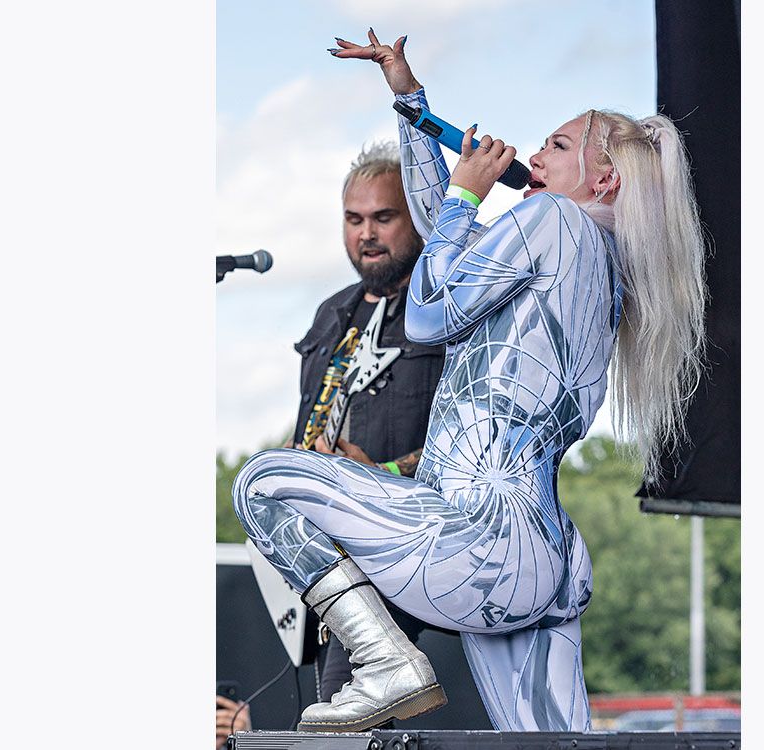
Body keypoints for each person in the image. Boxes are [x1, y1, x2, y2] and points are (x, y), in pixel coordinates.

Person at [232, 29, 707, 733]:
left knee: (264, 485)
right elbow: (443, 238)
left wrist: (464, 193)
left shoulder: (551, 218)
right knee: (550, 740)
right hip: (541, 551)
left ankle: (388, 666)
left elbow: (427, 311)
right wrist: (412, 106)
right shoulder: (599, 266)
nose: (535, 156)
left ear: (603, 179)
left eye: (556, 146)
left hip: (475, 535)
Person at [216, 141, 445, 746]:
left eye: (384, 217)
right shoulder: (329, 314)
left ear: (417, 217)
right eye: (354, 219)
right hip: (330, 555)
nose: (366, 234)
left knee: (347, 709)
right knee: (331, 707)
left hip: (411, 541)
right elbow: (306, 428)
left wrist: (385, 472)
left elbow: (470, 441)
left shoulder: (444, 306)